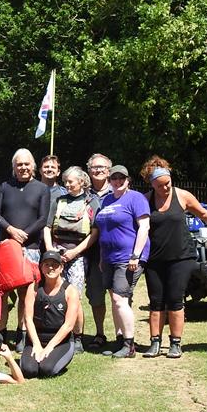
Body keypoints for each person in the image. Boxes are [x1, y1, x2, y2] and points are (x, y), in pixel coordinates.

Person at [139, 156, 207, 358]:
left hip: (181, 257)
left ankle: (175, 343)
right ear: (152, 184)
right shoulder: (145, 200)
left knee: (175, 300)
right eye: (160, 186)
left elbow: (203, 214)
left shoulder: (183, 196)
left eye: (168, 183)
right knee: (156, 302)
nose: (166, 188)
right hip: (154, 260)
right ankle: (155, 343)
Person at [0, 148, 51, 351]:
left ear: (33, 166)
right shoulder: (5, 186)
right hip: (5, 248)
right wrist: (11, 230)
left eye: (27, 164)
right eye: (19, 164)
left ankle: (22, 334)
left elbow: (43, 219)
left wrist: (22, 234)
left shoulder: (42, 189)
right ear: (14, 167)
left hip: (30, 248)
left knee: (27, 295)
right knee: (1, 293)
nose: (23, 167)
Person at [93, 165, 150, 358]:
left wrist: (135, 255)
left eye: (121, 178)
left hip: (127, 258)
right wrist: (102, 257)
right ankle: (120, 340)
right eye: (114, 178)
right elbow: (103, 230)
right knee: (115, 300)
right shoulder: (107, 200)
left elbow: (144, 227)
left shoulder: (136, 198)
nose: (117, 182)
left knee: (120, 299)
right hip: (108, 258)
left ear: (128, 180)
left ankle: (129, 344)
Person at [43, 166, 100, 354]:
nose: (67, 184)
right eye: (66, 181)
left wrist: (75, 252)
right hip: (56, 255)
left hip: (77, 256)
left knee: (74, 296)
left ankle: (77, 338)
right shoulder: (59, 201)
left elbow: (94, 233)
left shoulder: (91, 202)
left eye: (70, 181)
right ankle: (55, 334)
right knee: (54, 294)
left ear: (82, 182)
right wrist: (51, 250)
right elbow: (47, 227)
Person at [20, 251, 79, 378]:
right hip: (37, 338)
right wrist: (36, 344)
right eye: (47, 264)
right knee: (29, 371)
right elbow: (28, 318)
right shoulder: (33, 288)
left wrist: (49, 347)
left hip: (61, 341)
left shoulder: (70, 291)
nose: (51, 268)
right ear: (41, 267)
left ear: (61, 267)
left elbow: (69, 325)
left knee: (46, 369)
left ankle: (60, 354)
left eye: (55, 265)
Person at [84, 153, 113, 349]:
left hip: (115, 252)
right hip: (91, 252)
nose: (99, 170)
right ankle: (100, 333)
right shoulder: (83, 194)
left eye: (102, 167)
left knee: (119, 295)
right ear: (89, 171)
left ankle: (123, 336)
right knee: (95, 296)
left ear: (109, 171)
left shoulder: (119, 191)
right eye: (95, 167)